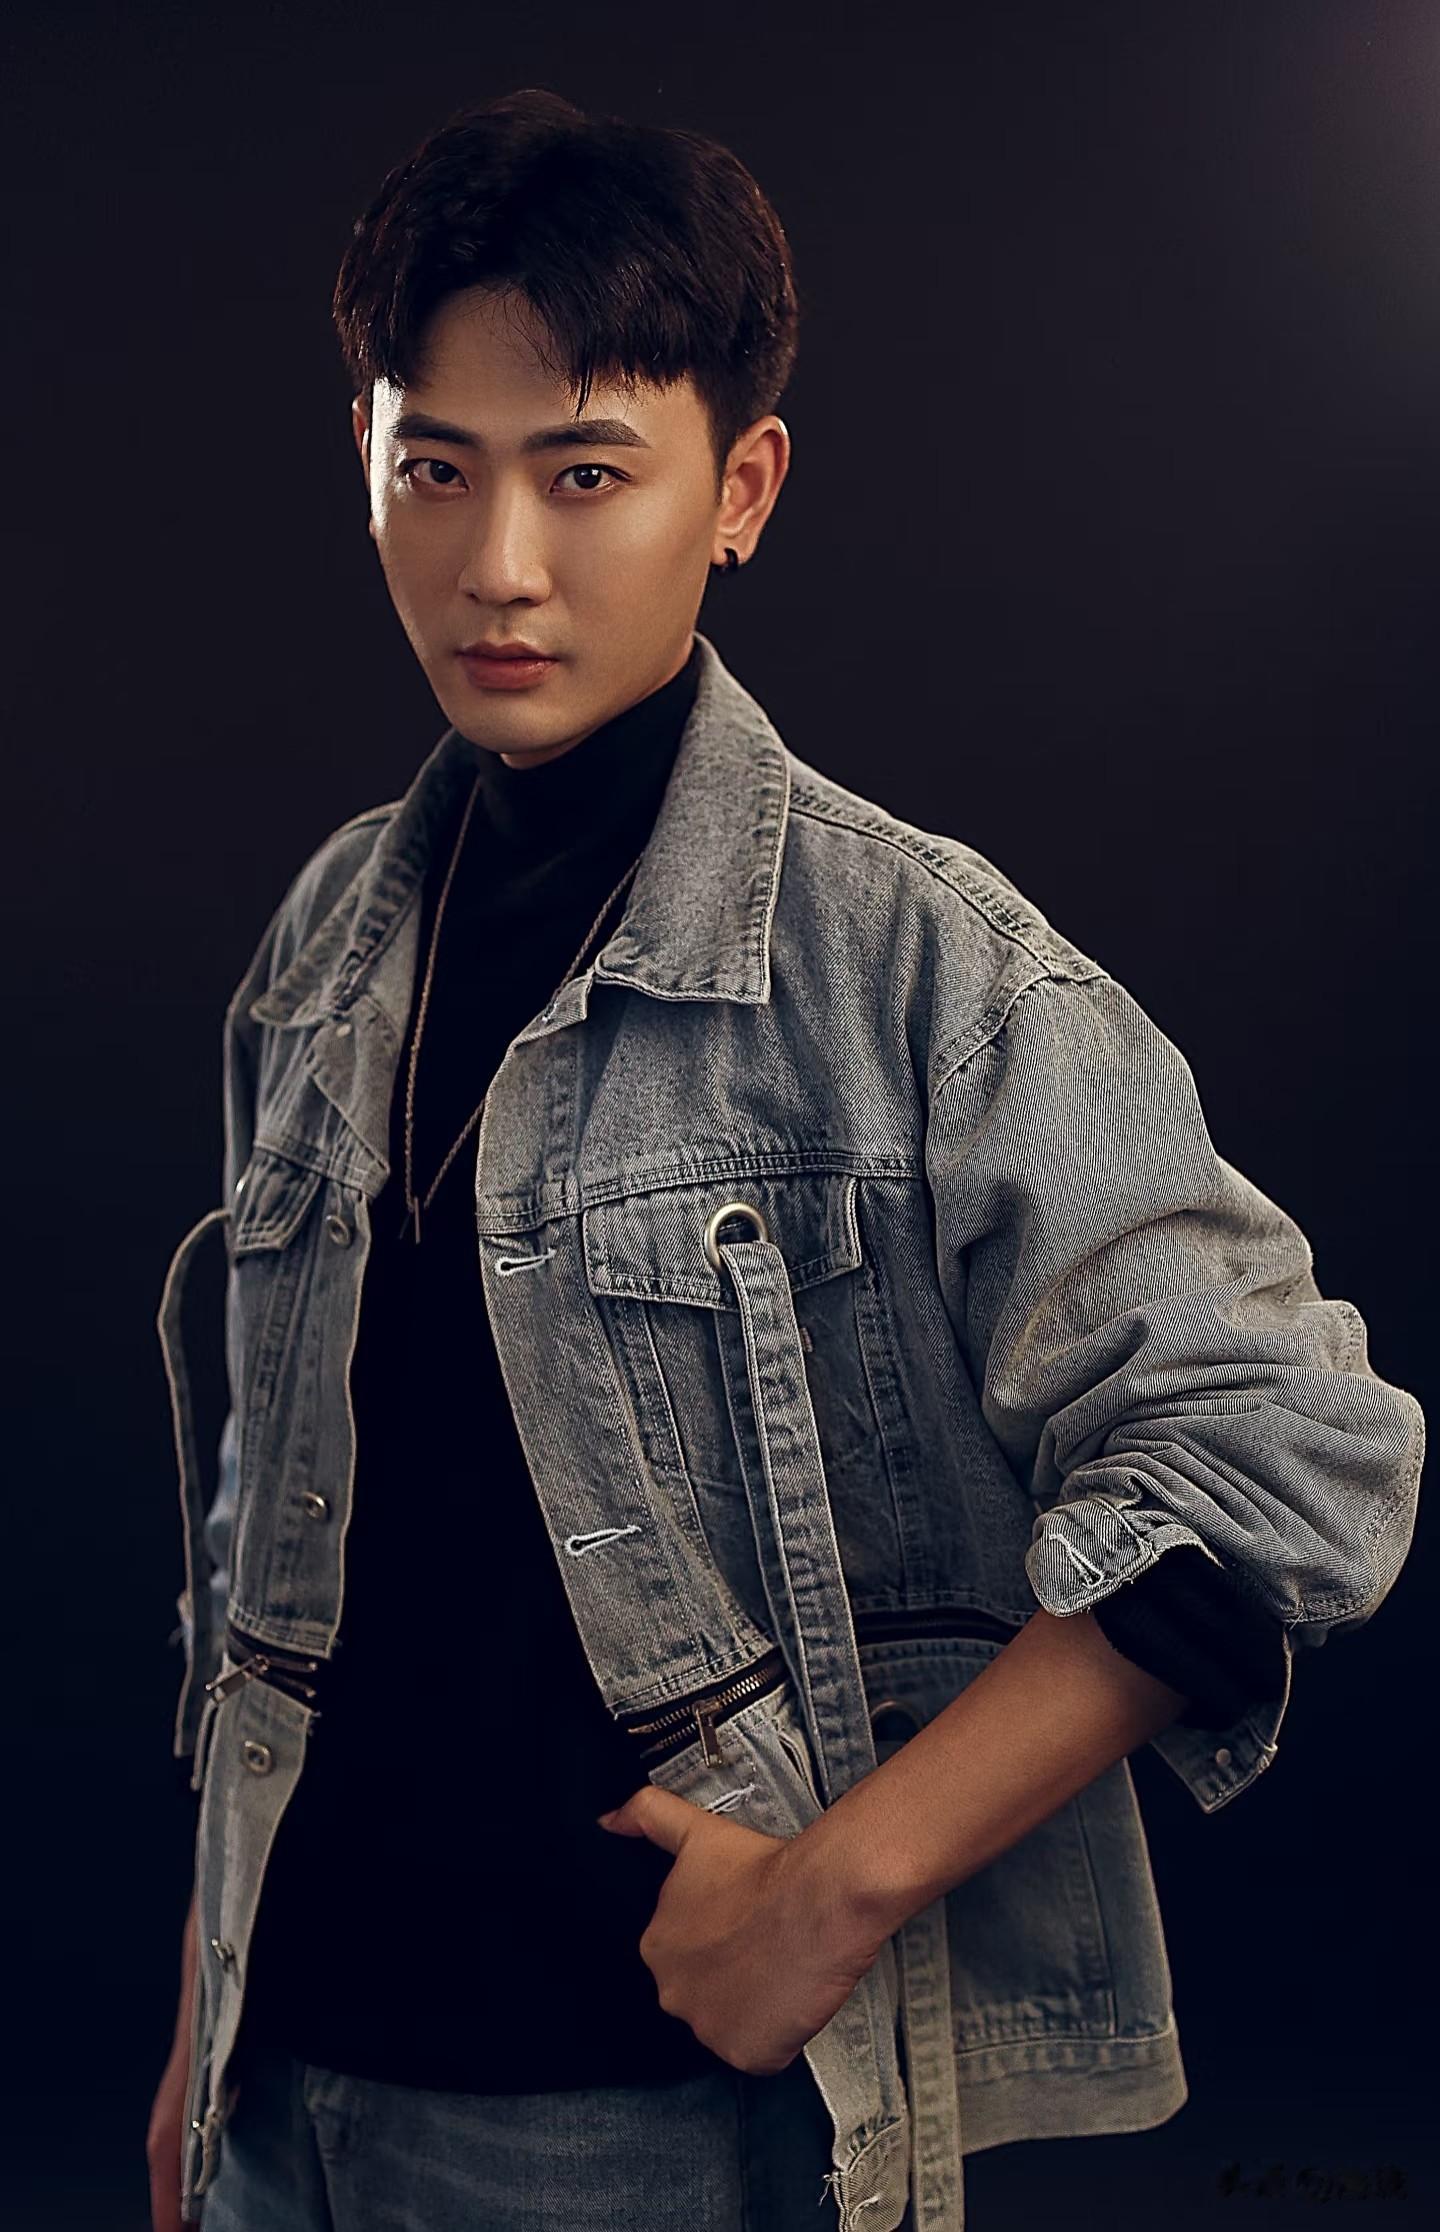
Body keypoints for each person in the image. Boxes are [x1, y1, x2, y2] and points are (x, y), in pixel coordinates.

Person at [146, 85, 1424, 2232]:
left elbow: (1287, 1454)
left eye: (585, 474)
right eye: (434, 468)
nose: (499, 564)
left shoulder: (914, 966)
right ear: (362, 454)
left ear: (738, 489)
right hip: (285, 2093)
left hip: (633, 2119)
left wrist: (839, 1888)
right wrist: (208, 2003)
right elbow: (269, 1537)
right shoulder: (326, 941)